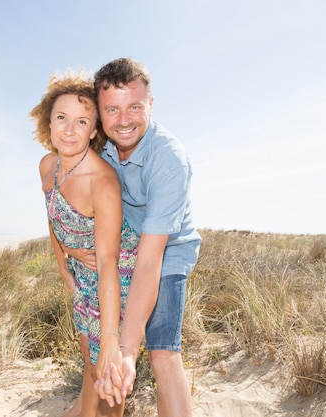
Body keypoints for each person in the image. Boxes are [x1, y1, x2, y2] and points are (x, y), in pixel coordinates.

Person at [63, 58, 201, 416]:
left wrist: (126, 349)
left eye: (135, 107)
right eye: (112, 110)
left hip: (165, 253)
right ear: (99, 113)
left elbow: (151, 258)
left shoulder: (169, 160)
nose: (123, 121)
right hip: (119, 251)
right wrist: (68, 247)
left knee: (162, 352)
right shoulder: (99, 147)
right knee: (95, 350)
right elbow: (59, 194)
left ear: (150, 105)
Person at [29, 68, 138, 417]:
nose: (69, 129)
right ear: (49, 123)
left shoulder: (102, 184)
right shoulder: (47, 165)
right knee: (90, 363)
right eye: (61, 118)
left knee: (108, 373)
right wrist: (64, 259)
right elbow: (52, 215)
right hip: (81, 271)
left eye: (81, 121)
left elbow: (108, 263)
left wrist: (110, 339)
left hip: (116, 277)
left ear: (94, 131)